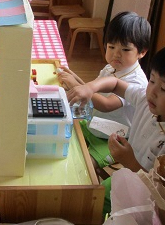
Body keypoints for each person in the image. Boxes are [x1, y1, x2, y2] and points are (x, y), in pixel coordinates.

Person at [67, 39, 165, 217]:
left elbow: (162, 193)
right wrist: (88, 88)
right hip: (125, 179)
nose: (151, 91)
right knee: (88, 204)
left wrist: (129, 160)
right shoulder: (147, 100)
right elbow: (115, 84)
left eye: (163, 88)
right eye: (152, 80)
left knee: (99, 217)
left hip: (146, 208)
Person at [58, 11, 150, 168]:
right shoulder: (110, 68)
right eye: (111, 46)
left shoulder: (136, 81)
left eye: (125, 49)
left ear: (142, 52)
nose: (116, 54)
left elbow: (106, 105)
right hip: (94, 125)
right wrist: (76, 78)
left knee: (84, 167)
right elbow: (91, 89)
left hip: (115, 138)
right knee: (62, 136)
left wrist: (75, 85)